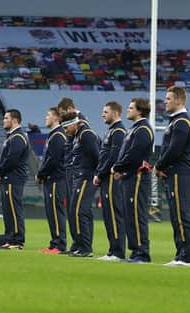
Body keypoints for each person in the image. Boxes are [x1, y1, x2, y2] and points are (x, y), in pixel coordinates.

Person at [154, 87, 190, 267]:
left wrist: (159, 165)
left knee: (181, 214)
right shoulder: (175, 122)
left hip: (179, 173)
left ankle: (186, 257)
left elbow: (174, 150)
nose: (165, 101)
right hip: (173, 173)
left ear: (179, 101)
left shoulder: (182, 122)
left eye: (168, 98)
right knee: (175, 215)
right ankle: (180, 254)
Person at [111, 98, 154, 263]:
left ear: (140, 111)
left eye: (130, 108)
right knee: (130, 215)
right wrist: (121, 170)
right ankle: (136, 251)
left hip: (137, 178)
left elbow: (134, 154)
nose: (127, 110)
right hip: (129, 177)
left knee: (136, 215)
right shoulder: (135, 129)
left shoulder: (143, 129)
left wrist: (118, 167)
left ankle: (142, 253)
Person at [61, 112, 99, 258]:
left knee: (80, 211)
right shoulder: (79, 135)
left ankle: (85, 247)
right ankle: (79, 245)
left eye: (66, 127)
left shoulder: (86, 135)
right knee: (75, 210)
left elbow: (97, 156)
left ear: (73, 123)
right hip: (81, 176)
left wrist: (97, 174)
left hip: (86, 177)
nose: (65, 131)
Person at [93, 101, 127, 261]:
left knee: (114, 214)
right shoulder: (111, 131)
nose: (102, 114)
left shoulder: (118, 131)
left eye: (105, 112)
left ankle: (118, 251)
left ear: (115, 113)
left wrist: (100, 173)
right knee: (108, 214)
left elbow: (113, 157)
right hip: (106, 177)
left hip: (112, 178)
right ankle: (112, 249)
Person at [0, 109, 29, 250]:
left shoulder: (18, 137)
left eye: (6, 118)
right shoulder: (13, 136)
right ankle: (10, 238)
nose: (3, 120)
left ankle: (17, 241)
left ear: (14, 120)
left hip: (13, 178)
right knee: (8, 210)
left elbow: (12, 160)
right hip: (9, 178)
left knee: (13, 209)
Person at [57, 97, 89, 253]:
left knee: (78, 209)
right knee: (71, 208)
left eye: (64, 114)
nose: (63, 120)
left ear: (70, 109)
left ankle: (82, 244)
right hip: (73, 169)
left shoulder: (81, 125)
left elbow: (90, 151)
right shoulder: (74, 127)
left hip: (80, 171)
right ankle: (76, 244)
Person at [36, 108, 68, 254]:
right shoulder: (53, 135)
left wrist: (41, 174)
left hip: (56, 179)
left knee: (56, 212)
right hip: (52, 179)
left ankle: (59, 245)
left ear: (56, 118)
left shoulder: (58, 135)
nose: (45, 117)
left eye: (48, 115)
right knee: (51, 212)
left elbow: (53, 160)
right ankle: (54, 243)